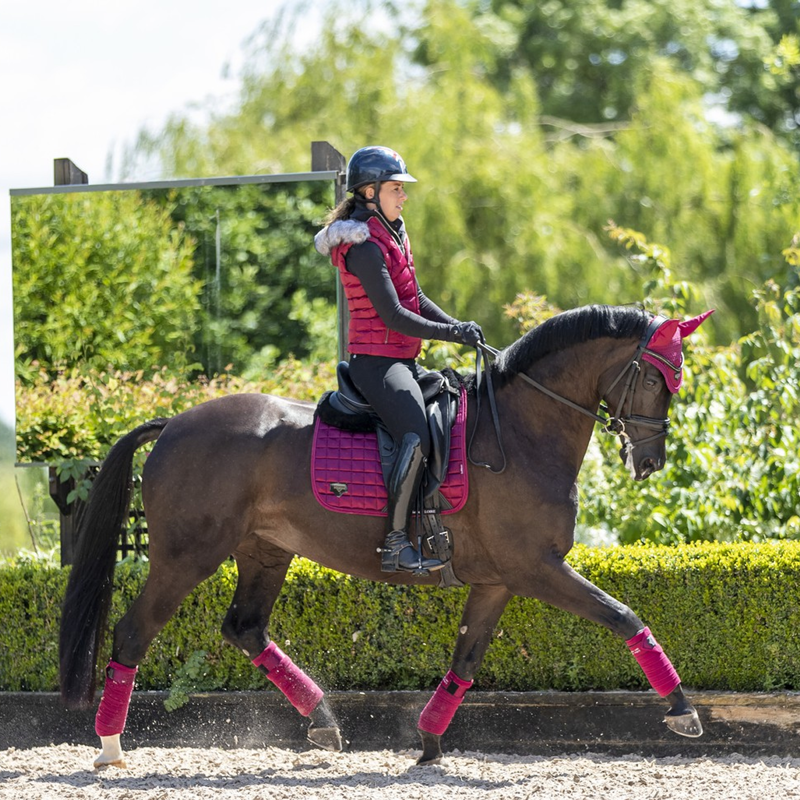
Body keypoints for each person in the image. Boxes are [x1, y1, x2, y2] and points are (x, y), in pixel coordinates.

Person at [314, 145, 483, 575]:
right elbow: (392, 315)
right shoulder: (364, 246)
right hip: (376, 363)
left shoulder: (394, 233)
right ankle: (394, 543)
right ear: (369, 192)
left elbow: (418, 300)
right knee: (416, 432)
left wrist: (459, 327)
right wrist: (450, 333)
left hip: (401, 360)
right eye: (395, 188)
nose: (403, 196)